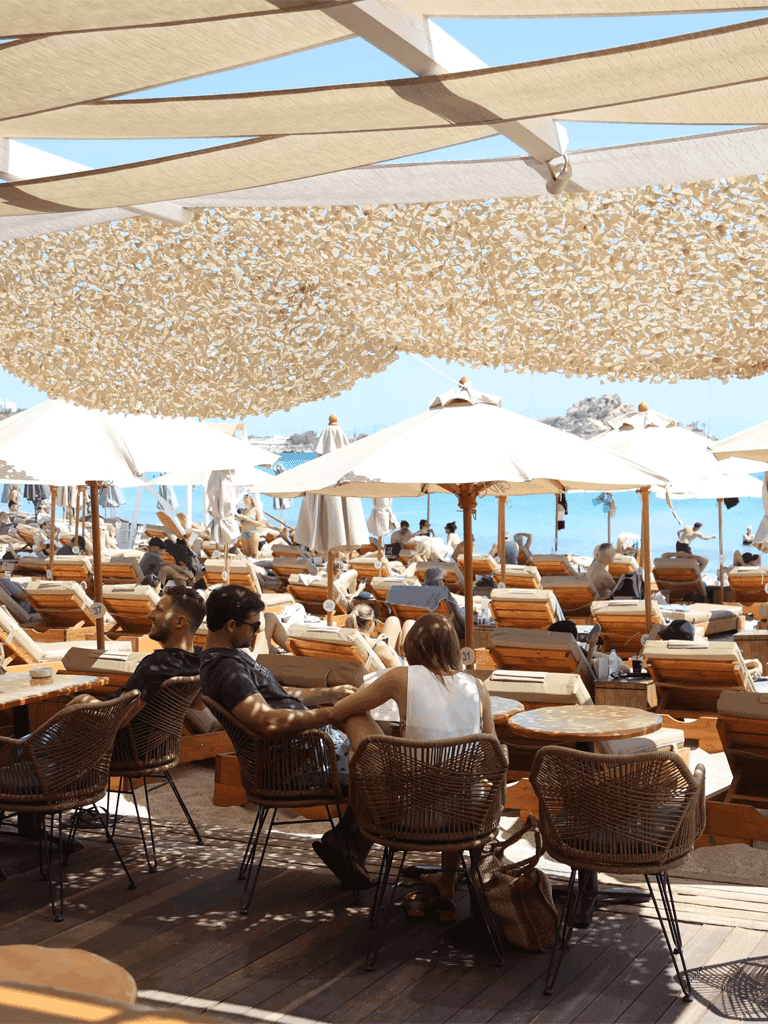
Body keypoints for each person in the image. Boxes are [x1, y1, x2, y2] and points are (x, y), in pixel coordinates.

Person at [325, 614, 494, 915]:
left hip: (408, 816)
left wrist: (385, 742)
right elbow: (491, 752)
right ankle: (448, 881)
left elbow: (338, 710)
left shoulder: (401, 676)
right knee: (453, 773)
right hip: (469, 817)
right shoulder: (477, 688)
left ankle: (355, 819)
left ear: (412, 647)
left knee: (357, 717)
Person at [70, 587, 205, 719]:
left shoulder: (156, 665)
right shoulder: (199, 659)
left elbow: (119, 718)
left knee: (78, 700)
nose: (150, 615)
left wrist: (82, 701)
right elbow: (198, 705)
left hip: (117, 738)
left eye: (159, 610)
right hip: (157, 736)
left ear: (179, 622)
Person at [344, 602, 402, 669]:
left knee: (393, 620)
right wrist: (404, 658)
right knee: (408, 623)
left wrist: (377, 641)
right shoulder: (379, 646)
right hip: (394, 667)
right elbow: (402, 673)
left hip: (362, 667)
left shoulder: (346, 641)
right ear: (370, 624)